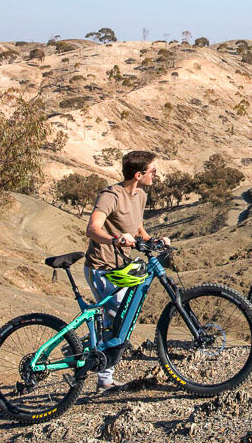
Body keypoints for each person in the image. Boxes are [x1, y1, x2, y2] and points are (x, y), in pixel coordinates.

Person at [84, 150, 170, 393]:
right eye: (153, 171)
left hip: (123, 268)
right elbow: (92, 229)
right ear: (138, 174)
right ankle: (102, 378)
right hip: (101, 268)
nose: (156, 175)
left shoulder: (140, 196)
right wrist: (115, 240)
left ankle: (91, 351)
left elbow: (138, 228)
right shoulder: (110, 196)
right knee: (118, 318)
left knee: (121, 318)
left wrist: (154, 240)